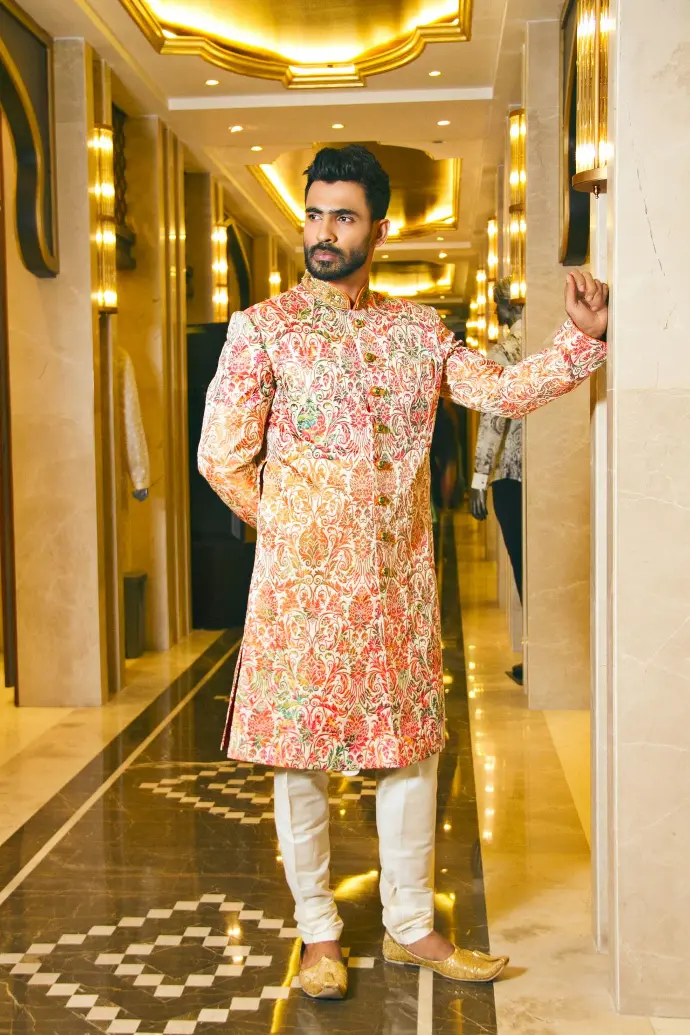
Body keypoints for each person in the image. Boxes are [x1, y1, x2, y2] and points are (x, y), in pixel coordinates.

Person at [198, 144, 609, 1001]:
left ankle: (411, 924)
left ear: (378, 229)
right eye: (313, 213)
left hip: (399, 594)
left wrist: (582, 342)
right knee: (299, 765)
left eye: (343, 216)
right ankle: (317, 936)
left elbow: (501, 391)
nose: (322, 231)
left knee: (412, 755)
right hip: (302, 598)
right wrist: (301, 538)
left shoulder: (417, 332)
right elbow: (220, 456)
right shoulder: (263, 328)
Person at [469, 279, 525, 684]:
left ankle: (537, 656)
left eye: (498, 307)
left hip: (510, 474)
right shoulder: (550, 344)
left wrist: (478, 478)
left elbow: (493, 420)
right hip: (548, 474)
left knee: (525, 568)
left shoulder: (504, 352)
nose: (497, 315)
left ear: (508, 307)